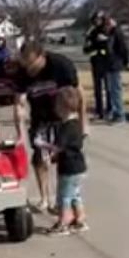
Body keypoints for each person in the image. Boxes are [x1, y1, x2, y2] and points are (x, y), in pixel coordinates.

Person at [13, 40, 88, 212]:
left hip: (63, 116)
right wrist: (20, 135)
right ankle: (45, 198)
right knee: (40, 159)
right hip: (40, 117)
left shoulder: (61, 65)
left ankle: (66, 201)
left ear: (42, 56)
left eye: (32, 64)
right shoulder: (22, 72)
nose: (30, 69)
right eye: (26, 64)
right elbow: (18, 104)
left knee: (65, 160)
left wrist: (83, 123)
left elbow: (80, 95)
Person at [35, 86, 89, 236]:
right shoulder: (77, 124)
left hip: (69, 168)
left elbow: (58, 147)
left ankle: (63, 222)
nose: (55, 108)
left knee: (63, 196)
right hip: (78, 167)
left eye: (57, 105)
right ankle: (80, 220)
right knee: (74, 194)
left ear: (63, 107)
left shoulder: (67, 127)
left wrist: (41, 144)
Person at [83, 11, 111, 120]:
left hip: (106, 62)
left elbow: (111, 45)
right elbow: (86, 49)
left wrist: (105, 40)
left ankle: (110, 109)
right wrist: (88, 41)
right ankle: (99, 111)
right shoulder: (92, 33)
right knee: (97, 88)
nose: (97, 21)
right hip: (95, 62)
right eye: (95, 19)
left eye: (99, 19)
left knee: (108, 87)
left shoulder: (107, 31)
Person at [104, 16, 129, 124]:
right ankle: (115, 112)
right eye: (106, 24)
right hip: (110, 65)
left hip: (116, 65)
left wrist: (125, 62)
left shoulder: (117, 34)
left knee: (116, 90)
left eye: (109, 24)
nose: (107, 26)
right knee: (112, 91)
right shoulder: (110, 35)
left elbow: (123, 49)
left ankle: (120, 114)